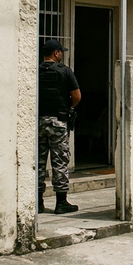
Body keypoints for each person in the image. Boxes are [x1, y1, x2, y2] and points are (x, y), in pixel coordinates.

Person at [38, 39, 82, 214]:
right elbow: (77, 96)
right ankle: (61, 202)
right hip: (58, 121)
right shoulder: (65, 71)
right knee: (60, 162)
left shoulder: (36, 70)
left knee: (38, 162)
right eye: (60, 52)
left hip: (38, 121)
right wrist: (67, 107)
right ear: (56, 53)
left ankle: (37, 202)